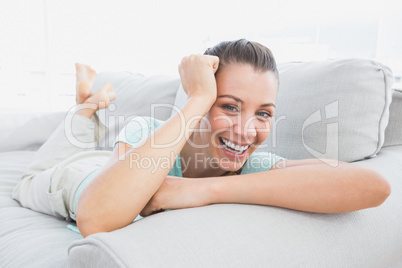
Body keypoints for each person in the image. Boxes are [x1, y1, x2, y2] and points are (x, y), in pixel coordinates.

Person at [11, 39, 391, 238]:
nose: (245, 131)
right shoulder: (148, 130)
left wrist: (202, 190)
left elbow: (373, 187)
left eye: (263, 113)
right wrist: (198, 98)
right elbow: (97, 219)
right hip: (75, 180)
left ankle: (90, 104)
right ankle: (87, 106)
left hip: (115, 169)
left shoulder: (247, 167)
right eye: (228, 106)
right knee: (35, 173)